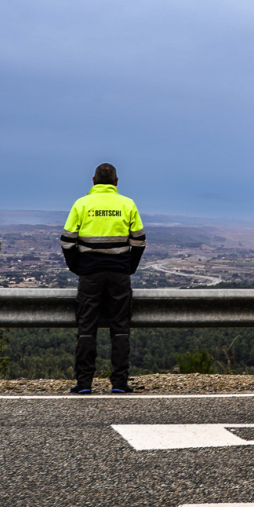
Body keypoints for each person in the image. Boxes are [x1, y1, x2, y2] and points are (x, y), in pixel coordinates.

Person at [60, 163, 146, 394]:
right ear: (116, 182)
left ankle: (84, 384)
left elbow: (67, 241)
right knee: (120, 329)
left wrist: (78, 267)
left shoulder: (82, 204)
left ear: (93, 181)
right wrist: (129, 267)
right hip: (119, 275)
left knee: (87, 328)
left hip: (90, 276)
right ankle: (119, 383)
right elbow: (139, 240)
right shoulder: (127, 204)